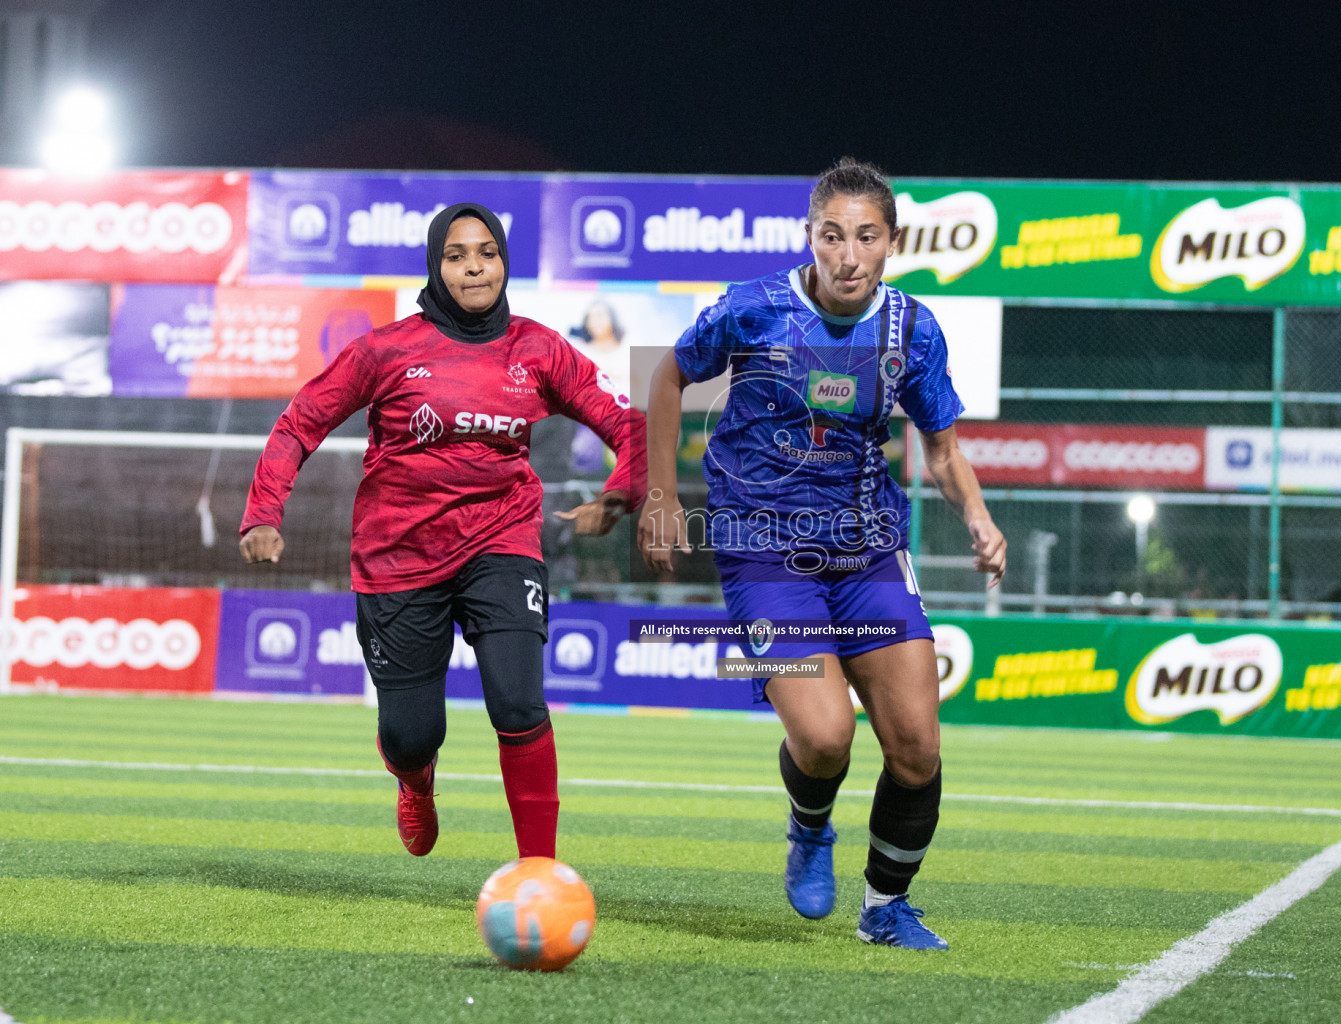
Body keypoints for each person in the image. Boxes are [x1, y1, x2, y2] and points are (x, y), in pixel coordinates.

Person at [639, 159, 1006, 950]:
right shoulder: (755, 309)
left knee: (916, 745)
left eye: (866, 237)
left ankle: (885, 908)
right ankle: (810, 828)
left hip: (868, 549)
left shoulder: (913, 330)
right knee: (827, 736)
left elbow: (942, 449)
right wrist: (661, 493)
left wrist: (977, 514)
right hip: (764, 551)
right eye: (831, 235)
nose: (848, 254)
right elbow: (667, 375)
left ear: (892, 242)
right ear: (809, 237)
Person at [240, 203, 644, 860]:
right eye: (456, 255)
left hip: (502, 542)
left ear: (504, 261)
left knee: (518, 704)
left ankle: (538, 872)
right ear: (436, 265)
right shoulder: (386, 349)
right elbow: (299, 423)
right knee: (410, 733)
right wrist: (263, 512)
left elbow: (627, 424)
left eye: (486, 251)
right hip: (398, 556)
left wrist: (621, 491)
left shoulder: (539, 348)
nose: (474, 266)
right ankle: (415, 779)